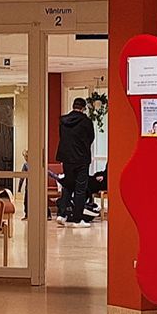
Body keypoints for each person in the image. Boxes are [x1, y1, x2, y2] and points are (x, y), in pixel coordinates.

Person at [56, 96, 96, 226]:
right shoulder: (86, 122)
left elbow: (62, 137)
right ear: (83, 108)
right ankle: (77, 219)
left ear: (73, 106)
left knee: (67, 185)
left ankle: (62, 214)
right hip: (81, 159)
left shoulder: (63, 121)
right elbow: (91, 138)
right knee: (80, 189)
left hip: (67, 158)